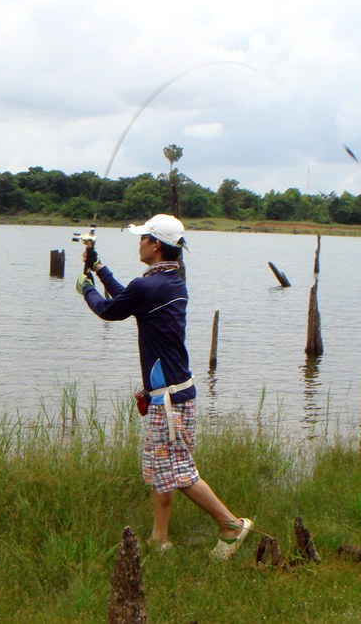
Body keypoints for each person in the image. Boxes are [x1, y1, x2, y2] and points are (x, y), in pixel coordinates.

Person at [76, 213, 251, 559]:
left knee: (179, 471)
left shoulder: (151, 285)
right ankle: (159, 538)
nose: (139, 243)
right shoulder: (171, 280)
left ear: (155, 245)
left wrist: (87, 291)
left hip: (170, 398)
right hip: (171, 393)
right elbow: (130, 298)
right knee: (161, 467)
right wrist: (99, 267)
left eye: (143, 238)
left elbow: (112, 310)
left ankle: (231, 525)